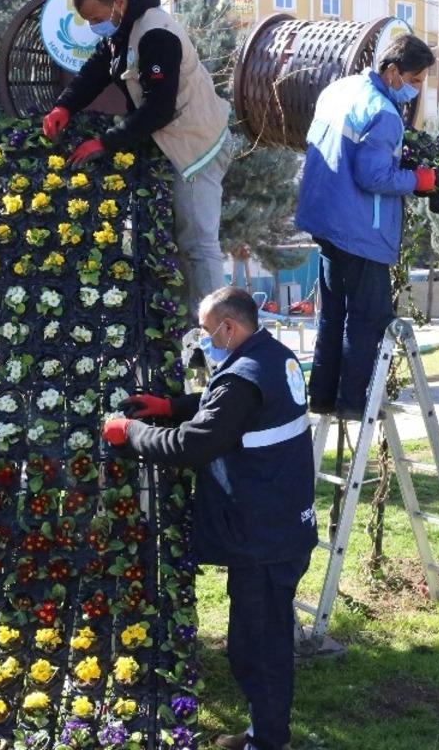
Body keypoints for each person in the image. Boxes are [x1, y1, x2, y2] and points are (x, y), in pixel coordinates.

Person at [102, 286, 316, 750]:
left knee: (257, 647)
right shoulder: (273, 357)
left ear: (229, 327)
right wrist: (170, 407)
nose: (205, 340)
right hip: (283, 525)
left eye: (207, 330)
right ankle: (264, 732)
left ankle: (267, 742)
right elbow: (225, 409)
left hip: (264, 536)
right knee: (264, 638)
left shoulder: (243, 376)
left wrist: (132, 431)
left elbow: (192, 445)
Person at [43, 0, 231, 308]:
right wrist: (64, 107)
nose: (92, 25)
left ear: (118, 1)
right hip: (169, 140)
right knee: (178, 244)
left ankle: (217, 338)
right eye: (86, 19)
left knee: (198, 244)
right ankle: (189, 334)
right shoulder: (121, 25)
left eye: (95, 17)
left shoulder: (156, 35)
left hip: (196, 145)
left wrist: (106, 142)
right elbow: (98, 68)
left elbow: (159, 109)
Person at [294, 34, 437, 421]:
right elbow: (373, 176)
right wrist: (417, 180)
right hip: (361, 231)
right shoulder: (385, 114)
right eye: (416, 79)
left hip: (325, 221)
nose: (416, 89)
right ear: (392, 72)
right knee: (366, 318)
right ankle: (353, 402)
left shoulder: (340, 90)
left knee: (333, 313)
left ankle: (322, 395)